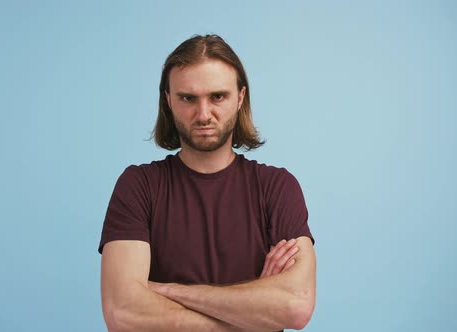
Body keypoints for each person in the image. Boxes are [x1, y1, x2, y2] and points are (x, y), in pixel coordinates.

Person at [98, 34, 316, 331]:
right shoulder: (139, 186)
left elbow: (296, 305)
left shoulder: (277, 187)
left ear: (240, 98)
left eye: (218, 96)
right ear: (168, 101)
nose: (203, 114)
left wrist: (170, 291)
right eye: (188, 98)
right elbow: (123, 314)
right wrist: (251, 312)